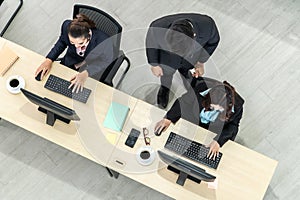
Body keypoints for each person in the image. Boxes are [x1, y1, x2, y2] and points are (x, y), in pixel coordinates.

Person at [154, 78, 244, 160]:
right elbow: (183, 101)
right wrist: (168, 118)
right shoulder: (201, 88)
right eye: (213, 107)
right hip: (193, 122)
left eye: (219, 109)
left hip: (213, 130)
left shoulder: (238, 105)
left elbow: (233, 126)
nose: (215, 110)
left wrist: (219, 141)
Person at [146, 13, 220, 108]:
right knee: (166, 75)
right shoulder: (157, 27)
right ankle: (165, 89)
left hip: (191, 59)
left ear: (193, 36)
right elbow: (151, 45)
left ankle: (190, 83)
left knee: (189, 73)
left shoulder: (207, 26)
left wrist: (201, 62)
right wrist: (154, 64)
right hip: (167, 60)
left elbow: (213, 42)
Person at [35, 13, 113, 93]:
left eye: (81, 43)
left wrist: (87, 72)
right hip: (71, 62)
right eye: (72, 42)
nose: (76, 46)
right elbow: (62, 42)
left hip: (91, 68)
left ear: (89, 35)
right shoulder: (66, 26)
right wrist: (49, 59)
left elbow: (106, 61)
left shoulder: (104, 42)